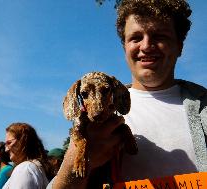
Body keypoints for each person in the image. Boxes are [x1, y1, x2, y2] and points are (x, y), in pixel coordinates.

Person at [48, 0, 207, 188]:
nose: (146, 46)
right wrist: (74, 161)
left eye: (159, 36)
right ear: (124, 46)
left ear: (179, 45)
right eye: (136, 37)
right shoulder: (97, 120)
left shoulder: (203, 109)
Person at [2, 122, 54, 189]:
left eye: (9, 143)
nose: (6, 149)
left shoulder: (25, 169)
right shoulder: (31, 167)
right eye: (5, 144)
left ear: (23, 141)